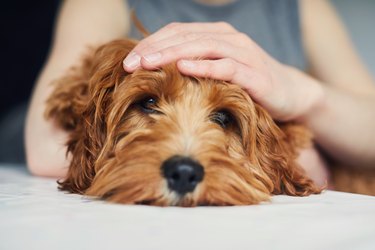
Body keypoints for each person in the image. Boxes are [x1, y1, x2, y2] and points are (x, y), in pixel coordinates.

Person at [25, 0, 375, 188]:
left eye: (222, 118)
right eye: (149, 103)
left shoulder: (302, 7)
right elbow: (45, 148)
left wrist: (302, 92)